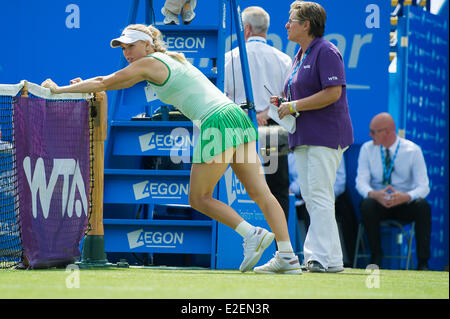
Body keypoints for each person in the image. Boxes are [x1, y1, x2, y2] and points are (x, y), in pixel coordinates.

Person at [41, 24, 301, 274]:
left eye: (131, 46)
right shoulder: (173, 60)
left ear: (146, 45)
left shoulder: (149, 62)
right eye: (123, 49)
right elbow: (102, 83)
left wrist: (60, 90)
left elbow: (103, 81)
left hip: (216, 123)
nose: (127, 53)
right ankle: (287, 255)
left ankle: (250, 233)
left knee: (199, 198)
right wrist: (79, 86)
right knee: (261, 193)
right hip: (236, 117)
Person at [275, 1, 354, 273]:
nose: (286, 24)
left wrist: (294, 106)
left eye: (291, 20)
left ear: (306, 24)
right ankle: (332, 260)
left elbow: (333, 93)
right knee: (313, 196)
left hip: (326, 133)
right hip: (304, 134)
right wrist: (285, 101)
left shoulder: (326, 50)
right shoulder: (300, 54)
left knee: (318, 195)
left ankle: (316, 257)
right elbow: (304, 94)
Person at [224, 6, 293, 221]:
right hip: (272, 129)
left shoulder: (229, 58)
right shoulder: (283, 59)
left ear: (246, 29)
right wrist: (265, 113)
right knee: (277, 189)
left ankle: (240, 240)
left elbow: (223, 96)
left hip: (237, 130)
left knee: (234, 188)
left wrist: (248, 117)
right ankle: (282, 247)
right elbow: (289, 98)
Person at [355, 112, 431, 270]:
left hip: (404, 204)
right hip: (378, 204)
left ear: (388, 131)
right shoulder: (366, 149)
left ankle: (423, 263)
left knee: (423, 206)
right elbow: (360, 182)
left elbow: (424, 186)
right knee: (366, 204)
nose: (370, 135)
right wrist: (375, 194)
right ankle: (376, 256)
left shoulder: (413, 150)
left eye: (374, 132)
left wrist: (406, 197)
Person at [289, 153, 358, 267]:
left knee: (320, 206)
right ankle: (315, 258)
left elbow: (339, 182)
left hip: (329, 195)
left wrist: (323, 196)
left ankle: (321, 258)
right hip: (302, 197)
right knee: (313, 205)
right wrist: (294, 190)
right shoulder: (293, 150)